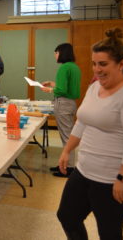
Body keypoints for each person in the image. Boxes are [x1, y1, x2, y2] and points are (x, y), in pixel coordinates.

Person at [56, 28, 123, 240]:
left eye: (103, 64)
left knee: (109, 233)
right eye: (94, 63)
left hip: (113, 178)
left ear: (121, 64)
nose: (97, 70)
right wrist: (67, 150)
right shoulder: (94, 88)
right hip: (83, 171)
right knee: (67, 216)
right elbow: (82, 122)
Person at [41, 43, 81, 177]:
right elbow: (67, 87)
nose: (55, 55)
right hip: (70, 103)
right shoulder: (74, 67)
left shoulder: (64, 67)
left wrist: (50, 89)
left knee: (66, 136)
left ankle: (68, 168)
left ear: (62, 53)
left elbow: (62, 90)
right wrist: (52, 84)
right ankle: (64, 164)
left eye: (56, 53)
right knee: (68, 134)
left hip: (63, 104)